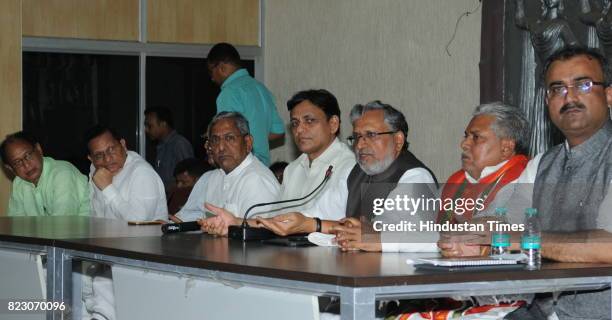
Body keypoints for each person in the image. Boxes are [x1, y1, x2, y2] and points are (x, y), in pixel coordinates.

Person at [441, 46, 612, 320]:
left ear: (608, 94)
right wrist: (472, 237)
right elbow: (504, 219)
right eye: (557, 89)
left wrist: (520, 239)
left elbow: (607, 247)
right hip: (539, 311)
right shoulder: (541, 165)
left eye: (583, 84)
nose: (569, 96)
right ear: (547, 101)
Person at [203, 101, 437, 243]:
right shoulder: (355, 174)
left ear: (398, 140)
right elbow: (315, 216)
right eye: (356, 137)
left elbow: (386, 235)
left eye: (371, 135)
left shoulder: (414, 177)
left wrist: (311, 224)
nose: (361, 144)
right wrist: (239, 223)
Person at [339, 102, 532, 252]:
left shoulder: (519, 183)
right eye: (465, 136)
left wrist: (382, 239)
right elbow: (422, 230)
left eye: (475, 137)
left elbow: (474, 236)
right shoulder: (457, 181)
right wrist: (370, 230)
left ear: (506, 147)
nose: (463, 144)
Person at [173, 112, 280, 222]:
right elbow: (191, 215)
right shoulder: (213, 177)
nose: (221, 147)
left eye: (229, 138)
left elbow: (261, 231)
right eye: (215, 140)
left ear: (248, 142)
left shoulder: (258, 180)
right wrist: (175, 225)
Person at [207, 42, 285, 166]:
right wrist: (258, 140)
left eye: (211, 72)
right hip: (263, 168)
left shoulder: (229, 93)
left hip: (241, 167)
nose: (212, 78)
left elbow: (226, 139)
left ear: (221, 67)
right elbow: (278, 131)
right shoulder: (262, 89)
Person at [87, 125, 167, 221]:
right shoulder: (95, 170)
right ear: (91, 159)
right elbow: (95, 214)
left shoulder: (142, 173)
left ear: (123, 145)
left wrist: (107, 188)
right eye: (99, 155)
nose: (107, 159)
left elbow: (139, 222)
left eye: (111, 149)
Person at [1, 131, 89, 216]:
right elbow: (17, 225)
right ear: (10, 168)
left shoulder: (62, 173)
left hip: (87, 230)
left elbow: (63, 224)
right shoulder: (19, 183)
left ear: (39, 149)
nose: (26, 165)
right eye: (17, 162)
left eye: (28, 155)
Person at [144, 107, 194, 190]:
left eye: (149, 126)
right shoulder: (161, 146)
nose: (146, 130)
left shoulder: (179, 144)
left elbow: (188, 180)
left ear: (163, 124)